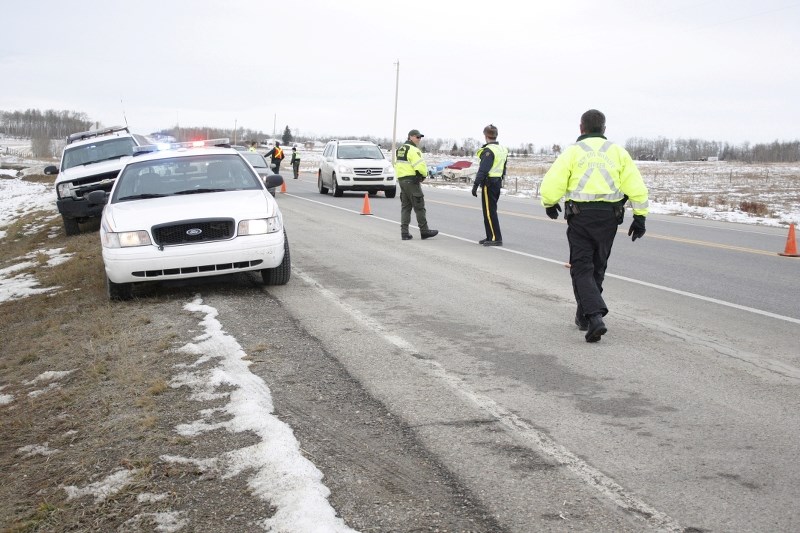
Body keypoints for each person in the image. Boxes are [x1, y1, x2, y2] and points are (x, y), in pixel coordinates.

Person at [540, 109, 649, 343]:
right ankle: (584, 317)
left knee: (581, 267)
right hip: (609, 219)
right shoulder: (618, 152)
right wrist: (640, 216)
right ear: (604, 129)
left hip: (581, 218)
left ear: (581, 128)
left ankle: (595, 316)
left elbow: (553, 182)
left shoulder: (573, 152)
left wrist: (550, 203)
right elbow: (636, 186)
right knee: (597, 268)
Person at [394, 129, 438, 240]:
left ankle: (404, 233)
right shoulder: (413, 150)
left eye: (420, 137)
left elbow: (397, 164)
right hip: (412, 181)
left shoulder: (400, 149)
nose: (419, 139)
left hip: (402, 180)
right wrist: (423, 175)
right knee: (419, 207)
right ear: (410, 137)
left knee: (406, 207)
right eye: (417, 137)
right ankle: (424, 231)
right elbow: (420, 165)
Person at [471, 124, 508, 246]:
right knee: (490, 210)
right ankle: (490, 236)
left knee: (489, 211)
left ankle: (496, 238)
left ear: (486, 136)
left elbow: (483, 169)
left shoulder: (488, 151)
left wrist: (476, 184)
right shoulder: (502, 149)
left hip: (489, 183)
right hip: (497, 182)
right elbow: (504, 168)